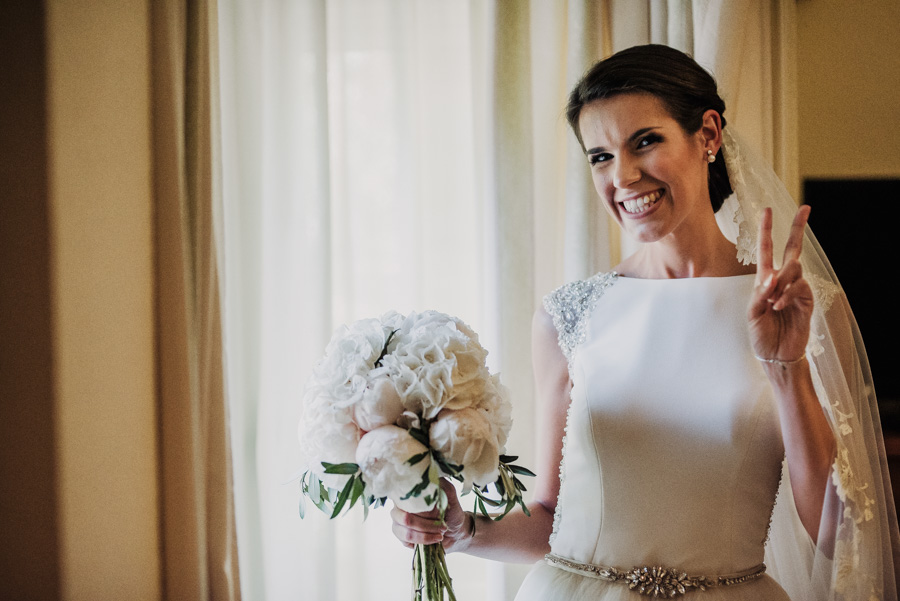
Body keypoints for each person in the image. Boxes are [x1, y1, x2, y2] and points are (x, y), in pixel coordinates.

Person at [391, 44, 900, 600]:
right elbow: (552, 519)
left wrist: (786, 367)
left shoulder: (805, 311)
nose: (624, 176)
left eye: (646, 141)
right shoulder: (568, 316)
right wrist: (461, 530)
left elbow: (832, 535)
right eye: (600, 156)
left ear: (708, 135)